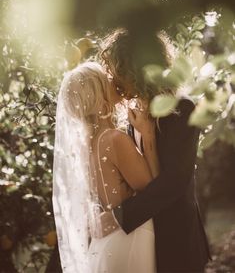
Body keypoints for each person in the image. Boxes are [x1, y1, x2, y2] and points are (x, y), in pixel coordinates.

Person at [99, 28, 211, 272]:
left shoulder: (183, 109)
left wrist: (119, 217)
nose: (115, 80)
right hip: (143, 239)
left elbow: (174, 182)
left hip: (177, 239)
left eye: (119, 71)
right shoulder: (133, 113)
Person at [53, 61, 160, 273]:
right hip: (131, 236)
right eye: (107, 81)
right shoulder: (114, 139)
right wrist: (148, 135)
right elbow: (154, 189)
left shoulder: (86, 145)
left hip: (105, 243)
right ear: (98, 95)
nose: (114, 82)